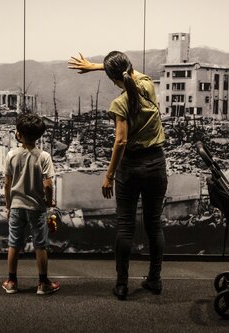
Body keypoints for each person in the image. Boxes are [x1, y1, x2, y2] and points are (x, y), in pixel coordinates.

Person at [68, 51, 168, 300]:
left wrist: (109, 175)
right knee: (154, 225)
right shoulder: (147, 85)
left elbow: (121, 141)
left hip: (131, 167)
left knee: (125, 227)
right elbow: (126, 71)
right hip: (156, 163)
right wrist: (96, 66)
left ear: (114, 80)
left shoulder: (120, 104)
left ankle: (122, 285)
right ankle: (154, 280)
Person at [2, 112, 60, 295]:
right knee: (40, 245)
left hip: (17, 206)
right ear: (39, 135)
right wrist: (49, 202)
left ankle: (11, 282)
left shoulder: (11, 155)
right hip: (37, 207)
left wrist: (8, 206)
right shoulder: (44, 157)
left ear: (18, 134)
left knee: (13, 244)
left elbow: (6, 184)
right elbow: (48, 184)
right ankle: (43, 284)